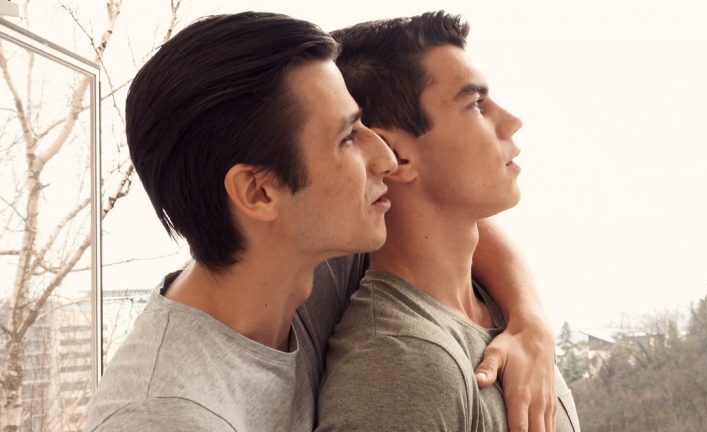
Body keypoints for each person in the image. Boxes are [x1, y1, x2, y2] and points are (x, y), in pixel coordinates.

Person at [84, 11, 557, 432]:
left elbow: (454, 222)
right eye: (348, 137)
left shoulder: (300, 257)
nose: (385, 157)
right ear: (259, 192)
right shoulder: (165, 414)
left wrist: (529, 321)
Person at [317, 11, 581, 432]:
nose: (511, 121)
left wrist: (529, 316)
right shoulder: (400, 365)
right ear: (396, 155)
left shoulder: (499, 313)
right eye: (475, 104)